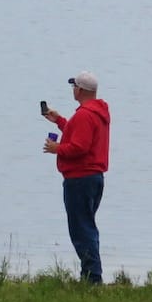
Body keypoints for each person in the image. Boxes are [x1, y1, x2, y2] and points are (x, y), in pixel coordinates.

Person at [42, 71, 110, 284]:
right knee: (87, 225)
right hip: (94, 178)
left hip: (80, 179)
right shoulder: (97, 113)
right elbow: (79, 133)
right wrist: (59, 121)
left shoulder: (84, 114)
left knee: (81, 229)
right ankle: (90, 274)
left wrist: (57, 148)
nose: (73, 90)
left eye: (74, 87)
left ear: (80, 90)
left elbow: (79, 147)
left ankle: (92, 277)